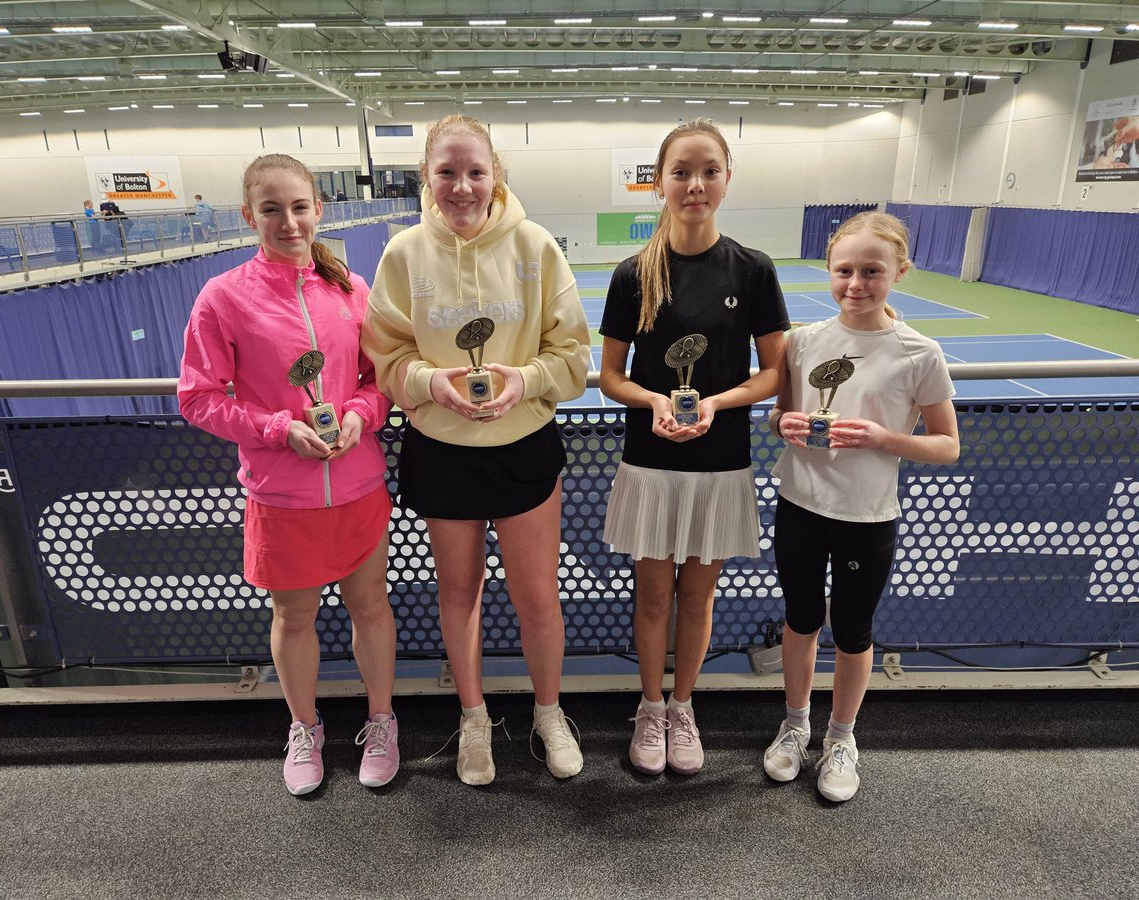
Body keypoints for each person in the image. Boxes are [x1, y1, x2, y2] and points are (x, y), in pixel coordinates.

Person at [362, 114, 591, 786]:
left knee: (536, 597)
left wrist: (527, 380)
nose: (461, 186)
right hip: (441, 448)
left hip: (523, 448)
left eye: (475, 172)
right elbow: (384, 359)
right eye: (446, 172)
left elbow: (573, 358)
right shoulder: (402, 254)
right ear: (426, 178)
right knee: (458, 593)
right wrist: (432, 383)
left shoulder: (536, 246)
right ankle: (472, 716)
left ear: (496, 176)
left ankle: (549, 713)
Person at [178, 153, 400, 797]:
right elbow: (198, 397)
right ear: (249, 216)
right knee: (294, 618)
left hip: (357, 486)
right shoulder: (222, 298)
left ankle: (381, 722)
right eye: (271, 209)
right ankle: (304, 728)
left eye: (299, 207)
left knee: (369, 608)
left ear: (318, 211)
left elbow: (376, 383)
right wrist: (280, 430)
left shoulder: (352, 290)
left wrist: (360, 415)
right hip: (282, 495)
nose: (288, 221)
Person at [599, 118, 789, 777]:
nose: (695, 184)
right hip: (651, 465)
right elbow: (610, 377)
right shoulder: (632, 275)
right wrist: (652, 401)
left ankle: (684, 706)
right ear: (660, 183)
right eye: (681, 171)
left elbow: (773, 373)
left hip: (720, 461)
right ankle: (650, 708)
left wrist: (716, 403)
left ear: (727, 180)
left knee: (698, 598)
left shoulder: (754, 270)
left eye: (709, 170)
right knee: (652, 597)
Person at [763, 211, 960, 802]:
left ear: (899, 271)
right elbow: (778, 416)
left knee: (851, 631)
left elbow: (947, 445)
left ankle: (841, 737)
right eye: (844, 270)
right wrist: (783, 422)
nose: (856, 283)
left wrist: (882, 438)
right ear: (828, 270)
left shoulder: (919, 352)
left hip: (867, 517)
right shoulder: (802, 343)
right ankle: (795, 725)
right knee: (800, 620)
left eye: (871, 271)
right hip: (799, 504)